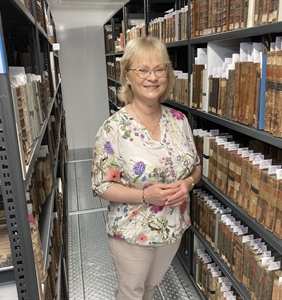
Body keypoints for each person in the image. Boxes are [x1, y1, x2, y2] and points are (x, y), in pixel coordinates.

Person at [91, 36, 201, 300]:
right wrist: (144, 196)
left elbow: (195, 165)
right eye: (142, 70)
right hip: (133, 232)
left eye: (159, 69)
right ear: (128, 76)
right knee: (132, 293)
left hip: (173, 226)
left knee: (150, 289)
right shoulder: (114, 129)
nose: (152, 77)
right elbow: (102, 186)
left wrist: (189, 183)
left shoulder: (179, 121)